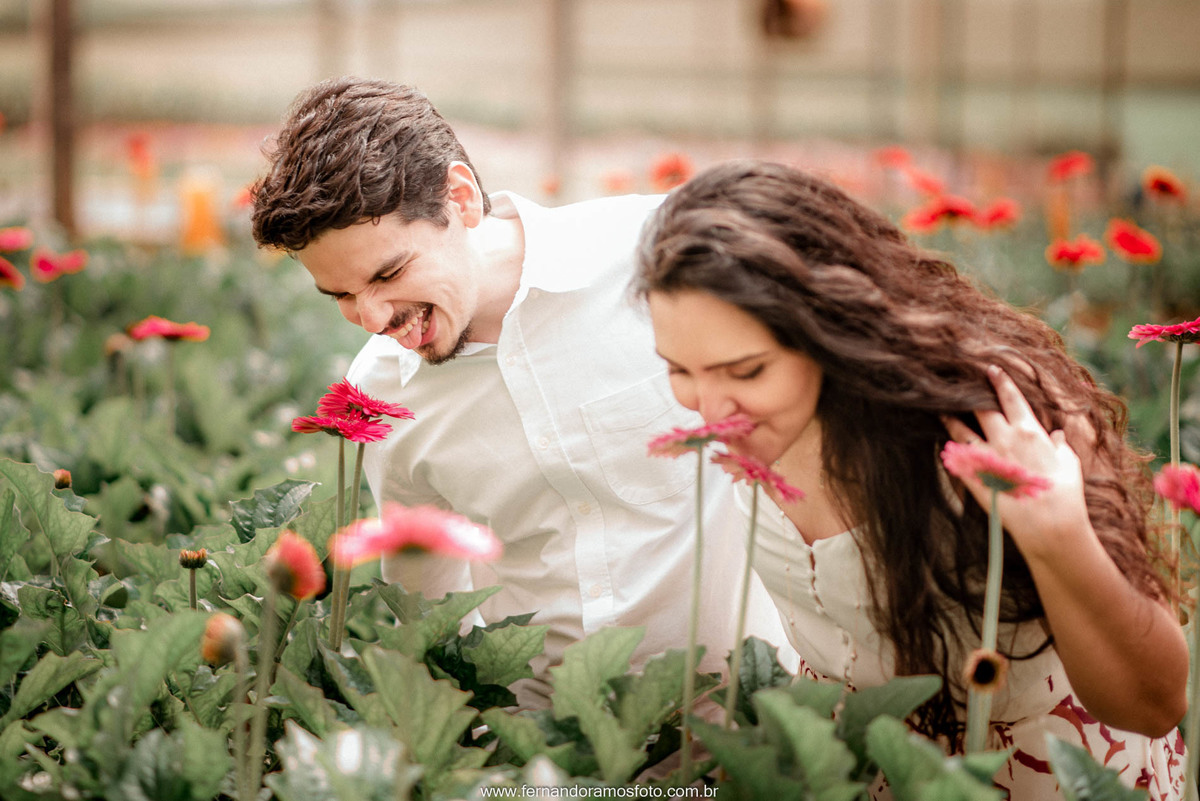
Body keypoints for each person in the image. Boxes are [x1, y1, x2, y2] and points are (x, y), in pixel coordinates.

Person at [633, 159, 1189, 799]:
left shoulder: (985, 431)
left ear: (831, 326)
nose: (709, 412)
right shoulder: (755, 431)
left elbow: (1154, 703)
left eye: (747, 371)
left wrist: (1059, 534)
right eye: (680, 370)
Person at [249, 77, 793, 708]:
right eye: (340, 295)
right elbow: (429, 604)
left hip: (740, 721)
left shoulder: (663, 254)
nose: (371, 318)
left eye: (389, 273)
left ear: (460, 199)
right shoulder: (380, 390)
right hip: (546, 737)